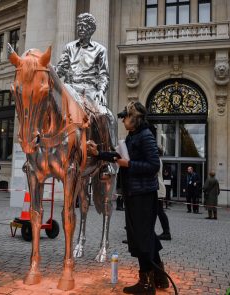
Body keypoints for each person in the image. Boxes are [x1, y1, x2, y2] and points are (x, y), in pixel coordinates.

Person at [88, 101, 169, 294]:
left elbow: (153, 166)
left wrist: (129, 165)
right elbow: (119, 156)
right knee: (146, 237)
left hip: (143, 194)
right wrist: (99, 154)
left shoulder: (145, 136)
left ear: (135, 118)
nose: (123, 119)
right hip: (135, 193)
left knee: (142, 238)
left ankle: (147, 283)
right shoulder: (133, 136)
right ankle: (160, 278)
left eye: (126, 116)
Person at [56, 13, 109, 106]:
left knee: (104, 114)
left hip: (90, 92)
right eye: (78, 26)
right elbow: (60, 70)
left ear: (91, 29)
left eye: (83, 26)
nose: (80, 28)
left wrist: (101, 91)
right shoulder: (69, 47)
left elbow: (103, 75)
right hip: (69, 89)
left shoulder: (100, 50)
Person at [156, 147, 171, 241]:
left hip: (158, 189)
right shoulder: (158, 159)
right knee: (157, 211)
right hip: (158, 189)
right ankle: (166, 232)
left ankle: (166, 232)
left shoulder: (156, 160)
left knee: (160, 212)